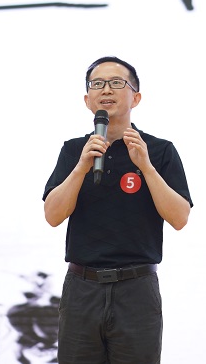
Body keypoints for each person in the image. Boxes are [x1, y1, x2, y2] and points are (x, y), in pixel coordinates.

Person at [43, 56, 192, 363]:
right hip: (82, 288)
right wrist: (81, 167)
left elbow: (179, 218)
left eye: (116, 83)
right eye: (97, 84)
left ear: (136, 97)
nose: (106, 90)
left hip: (136, 289)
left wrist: (146, 167)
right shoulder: (73, 150)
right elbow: (52, 216)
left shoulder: (159, 150)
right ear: (87, 100)